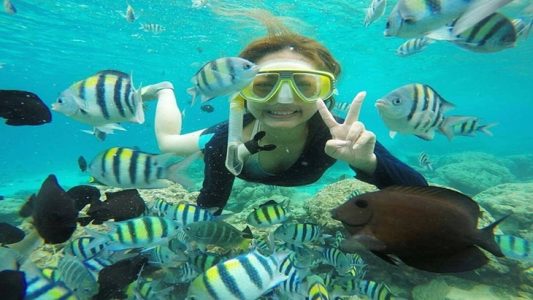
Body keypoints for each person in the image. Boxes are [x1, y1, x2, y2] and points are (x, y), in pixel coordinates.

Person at [141, 14, 427, 214]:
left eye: (304, 85)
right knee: (167, 142)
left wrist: (368, 163)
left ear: (326, 93)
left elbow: (420, 192)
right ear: (240, 91)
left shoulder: (339, 136)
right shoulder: (224, 143)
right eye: (263, 84)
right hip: (235, 129)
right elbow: (211, 203)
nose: (284, 98)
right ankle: (165, 91)